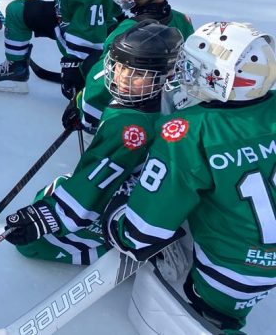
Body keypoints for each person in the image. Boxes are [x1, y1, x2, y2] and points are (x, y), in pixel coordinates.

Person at [105, 21, 276, 335]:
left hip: (227, 275)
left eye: (192, 66)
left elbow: (142, 233)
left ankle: (214, 312)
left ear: (220, 77)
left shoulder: (189, 129)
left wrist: (117, 219)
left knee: (212, 313)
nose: (182, 73)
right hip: (266, 255)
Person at [4, 22, 184, 266]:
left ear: (166, 76)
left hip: (135, 198)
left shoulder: (129, 128)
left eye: (138, 74)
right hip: (160, 190)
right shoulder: (168, 98)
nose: (122, 78)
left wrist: (47, 216)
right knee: (54, 191)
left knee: (33, 244)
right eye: (119, 67)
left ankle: (136, 249)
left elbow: (96, 183)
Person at [73, 0, 193, 131]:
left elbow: (102, 78)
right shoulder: (182, 21)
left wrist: (85, 112)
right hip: (166, 114)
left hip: (126, 119)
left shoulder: (127, 34)